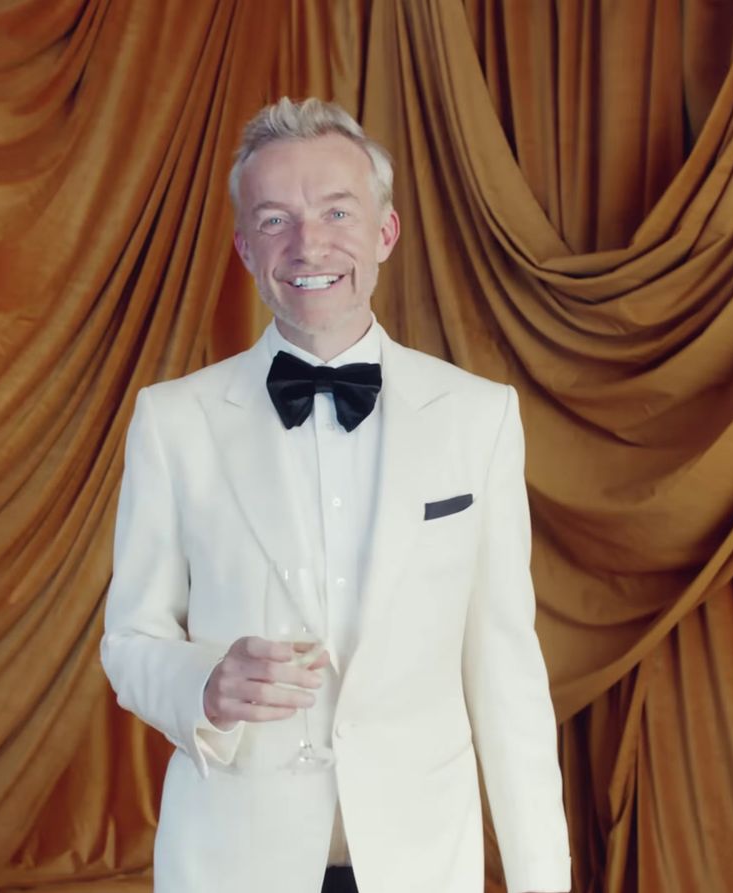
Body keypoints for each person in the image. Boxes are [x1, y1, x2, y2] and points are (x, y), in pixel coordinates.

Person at [100, 97, 570, 893]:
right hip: (234, 864)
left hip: (423, 864)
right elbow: (131, 641)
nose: (308, 242)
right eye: (275, 219)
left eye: (337, 211)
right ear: (246, 248)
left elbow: (507, 675)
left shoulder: (479, 418)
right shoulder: (172, 421)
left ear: (384, 233)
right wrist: (205, 685)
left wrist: (541, 880)